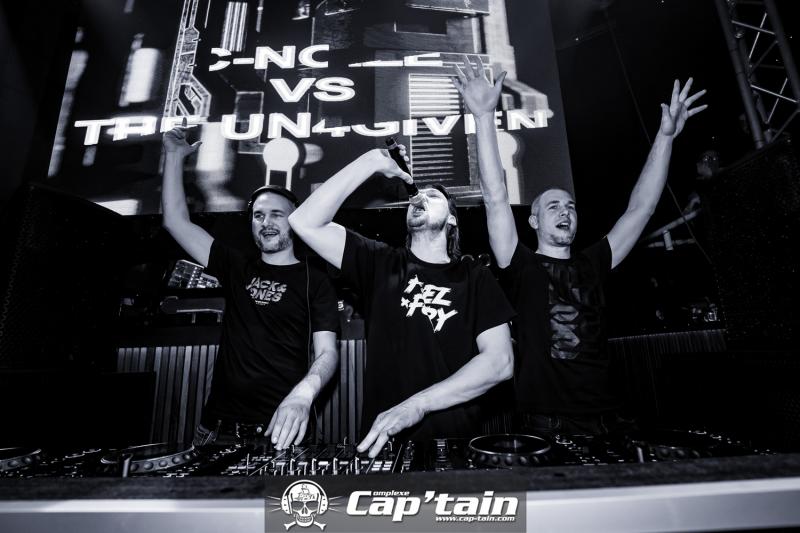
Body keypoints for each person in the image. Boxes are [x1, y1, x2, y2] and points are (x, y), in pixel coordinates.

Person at [454, 56, 707, 436]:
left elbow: (642, 208)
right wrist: (485, 117)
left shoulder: (594, 261)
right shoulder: (518, 263)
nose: (565, 211)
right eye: (553, 206)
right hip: (546, 423)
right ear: (534, 221)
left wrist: (666, 137)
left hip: (609, 418)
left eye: (571, 206)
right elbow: (495, 196)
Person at [288, 148, 516, 457]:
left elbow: (500, 362)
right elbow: (304, 221)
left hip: (455, 446)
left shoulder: (474, 276)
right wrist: (369, 162)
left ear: (452, 218)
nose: (419, 199)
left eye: (433, 196)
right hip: (383, 444)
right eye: (417, 196)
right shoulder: (380, 262)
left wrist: (417, 405)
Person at [161, 125, 339, 449]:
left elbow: (327, 353)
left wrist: (304, 393)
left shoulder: (316, 280)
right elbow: (175, 221)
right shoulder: (236, 266)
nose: (266, 223)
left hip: (282, 432)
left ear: (295, 220)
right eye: (258, 216)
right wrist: (174, 157)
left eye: (276, 215)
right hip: (217, 430)